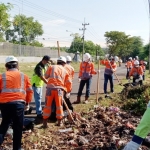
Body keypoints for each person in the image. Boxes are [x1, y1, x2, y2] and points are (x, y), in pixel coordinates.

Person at [0, 56, 33, 150]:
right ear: (17, 65)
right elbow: (30, 91)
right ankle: (17, 148)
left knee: (5, 124)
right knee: (18, 127)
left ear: (6, 67)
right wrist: (27, 103)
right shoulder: (24, 76)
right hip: (19, 104)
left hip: (4, 104)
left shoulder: (2, 76)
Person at [42, 56, 72, 127]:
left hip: (50, 89)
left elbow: (45, 76)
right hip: (59, 90)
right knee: (59, 106)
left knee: (47, 105)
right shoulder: (65, 70)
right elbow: (69, 82)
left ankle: (45, 123)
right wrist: (68, 91)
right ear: (64, 63)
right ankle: (59, 122)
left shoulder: (51, 67)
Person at [31, 55, 50, 119]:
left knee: (39, 97)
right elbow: (41, 77)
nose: (47, 63)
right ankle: (39, 113)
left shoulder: (44, 65)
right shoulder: (38, 67)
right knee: (38, 99)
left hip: (40, 84)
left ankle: (38, 110)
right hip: (36, 84)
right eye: (46, 62)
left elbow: (46, 74)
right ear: (43, 60)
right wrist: (48, 83)